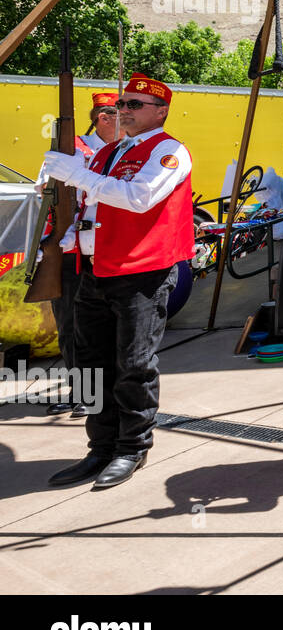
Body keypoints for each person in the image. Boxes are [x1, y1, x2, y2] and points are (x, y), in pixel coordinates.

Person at [42, 74, 194, 489]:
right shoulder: (109, 151)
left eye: (134, 105)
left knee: (134, 363)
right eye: (121, 104)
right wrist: (66, 237)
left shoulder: (169, 151)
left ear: (160, 111)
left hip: (142, 272)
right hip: (96, 268)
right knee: (90, 365)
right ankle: (100, 445)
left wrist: (77, 175)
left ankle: (132, 446)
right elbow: (91, 208)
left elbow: (139, 197)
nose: (123, 111)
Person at [46, 92, 123, 417]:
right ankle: (83, 392)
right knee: (71, 324)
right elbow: (46, 187)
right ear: (104, 119)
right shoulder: (73, 149)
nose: (127, 123)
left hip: (106, 248)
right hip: (69, 249)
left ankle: (105, 392)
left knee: (107, 326)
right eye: (121, 115)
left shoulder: (123, 151)